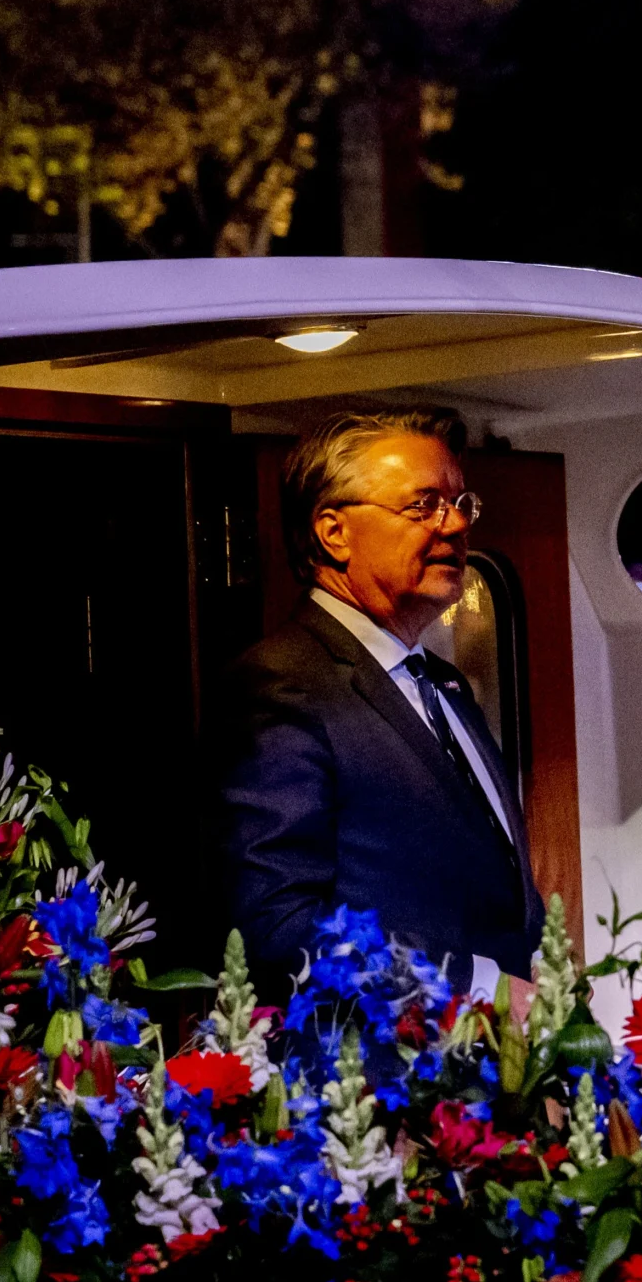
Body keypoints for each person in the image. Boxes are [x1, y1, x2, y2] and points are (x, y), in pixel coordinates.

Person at [218, 409, 542, 988]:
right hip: (379, 1070)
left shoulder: (442, 682)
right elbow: (279, 925)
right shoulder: (282, 684)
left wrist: (540, 970)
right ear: (334, 532)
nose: (454, 525)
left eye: (461, 504)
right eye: (422, 505)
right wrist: (474, 985)